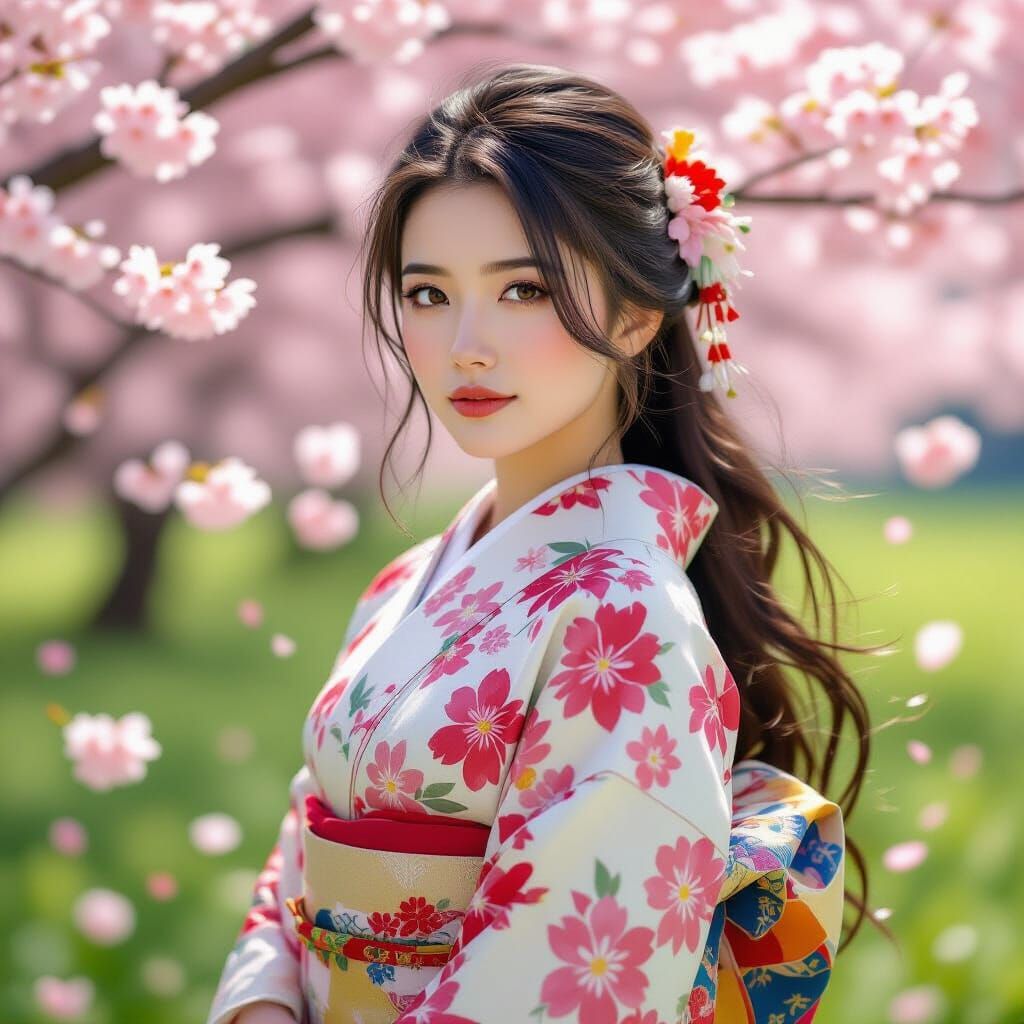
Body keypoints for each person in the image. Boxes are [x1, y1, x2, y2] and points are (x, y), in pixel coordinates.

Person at [207, 61, 889, 1024]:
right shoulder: (408, 581)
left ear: (637, 313)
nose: (465, 345)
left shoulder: (627, 616)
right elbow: (304, 840)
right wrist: (263, 1003)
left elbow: (565, 977)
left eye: (523, 290)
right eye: (428, 294)